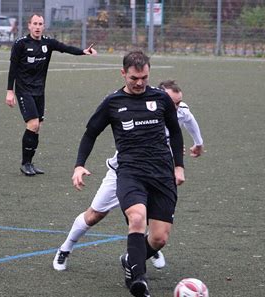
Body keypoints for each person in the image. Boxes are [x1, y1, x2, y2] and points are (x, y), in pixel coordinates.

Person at [71, 51, 185, 297]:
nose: (140, 82)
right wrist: (79, 165)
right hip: (131, 172)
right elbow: (90, 133)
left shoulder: (161, 99)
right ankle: (138, 280)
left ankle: (131, 259)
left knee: (159, 238)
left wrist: (179, 167)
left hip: (162, 174)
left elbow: (176, 133)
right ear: (123, 73)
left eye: (144, 77)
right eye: (134, 77)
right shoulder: (113, 102)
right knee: (136, 217)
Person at [53, 79, 204, 272]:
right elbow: (94, 133)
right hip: (124, 172)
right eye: (172, 102)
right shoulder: (143, 108)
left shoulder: (177, 110)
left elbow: (188, 121)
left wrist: (197, 143)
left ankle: (145, 250)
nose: (176, 107)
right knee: (94, 214)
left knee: (147, 218)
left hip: (156, 174)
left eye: (177, 103)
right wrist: (79, 165)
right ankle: (65, 248)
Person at [5, 13, 97, 176]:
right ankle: (25, 163)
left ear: (43, 26)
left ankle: (30, 163)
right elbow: (13, 68)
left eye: (40, 24)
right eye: (35, 23)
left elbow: (65, 48)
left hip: (39, 91)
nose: (38, 27)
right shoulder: (21, 44)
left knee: (37, 127)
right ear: (29, 25)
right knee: (32, 124)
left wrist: (83, 51)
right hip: (23, 90)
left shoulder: (48, 42)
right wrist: (10, 91)